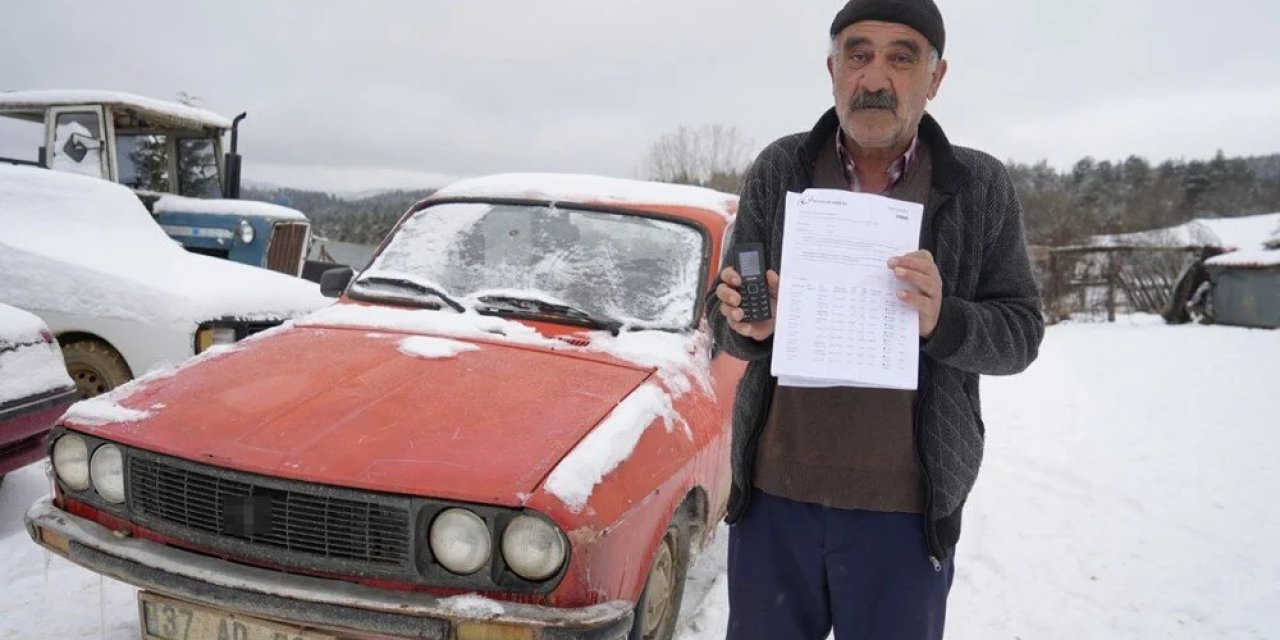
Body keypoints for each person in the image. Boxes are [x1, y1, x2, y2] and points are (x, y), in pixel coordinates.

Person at [707, 1, 1045, 638]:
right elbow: (727, 313)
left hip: (905, 515)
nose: (875, 76)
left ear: (935, 77)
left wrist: (945, 319)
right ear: (832, 70)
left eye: (901, 57)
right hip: (776, 500)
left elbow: (1021, 333)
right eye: (858, 55)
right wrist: (749, 325)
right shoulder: (781, 169)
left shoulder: (978, 186)